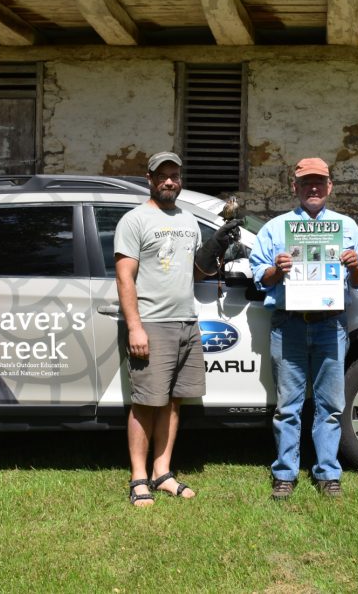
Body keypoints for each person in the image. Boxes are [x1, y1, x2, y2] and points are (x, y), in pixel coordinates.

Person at [115, 151, 239, 507]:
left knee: (173, 403)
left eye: (175, 175)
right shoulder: (134, 220)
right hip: (152, 323)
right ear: (150, 179)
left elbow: (197, 270)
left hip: (187, 320)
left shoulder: (187, 219)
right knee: (145, 403)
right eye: (162, 176)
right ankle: (138, 478)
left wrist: (218, 245)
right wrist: (135, 327)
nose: (170, 181)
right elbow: (125, 277)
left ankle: (162, 472)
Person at [249, 157, 358, 500]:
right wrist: (277, 269)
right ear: (296, 188)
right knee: (287, 406)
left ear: (330, 186)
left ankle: (328, 472)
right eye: (306, 182)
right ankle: (285, 474)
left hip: (330, 326)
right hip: (288, 324)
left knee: (330, 405)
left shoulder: (346, 227)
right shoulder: (275, 229)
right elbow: (260, 279)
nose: (313, 188)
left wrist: (354, 265)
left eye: (320, 182)